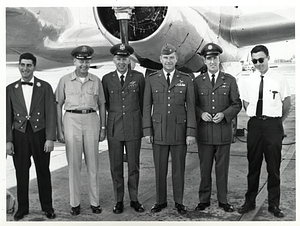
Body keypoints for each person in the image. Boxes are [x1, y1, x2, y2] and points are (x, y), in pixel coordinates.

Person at [238, 45, 291, 218]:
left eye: (261, 59)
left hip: (273, 126)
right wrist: (257, 119)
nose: (258, 63)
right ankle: (249, 201)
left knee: (273, 167)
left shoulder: (279, 79)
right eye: (254, 61)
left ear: (268, 57)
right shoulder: (248, 80)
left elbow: (287, 104)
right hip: (255, 125)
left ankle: (274, 204)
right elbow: (246, 104)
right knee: (253, 166)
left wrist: (276, 123)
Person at [143, 43, 196, 214]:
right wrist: (147, 130)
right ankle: (160, 201)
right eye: (165, 58)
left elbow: (192, 107)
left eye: (171, 57)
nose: (168, 61)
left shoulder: (186, 79)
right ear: (160, 59)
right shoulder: (152, 79)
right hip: (158, 131)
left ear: (176, 59)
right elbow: (146, 107)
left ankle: (179, 201)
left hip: (179, 131)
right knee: (160, 169)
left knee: (178, 169)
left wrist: (190, 132)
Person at [55, 45, 106, 215]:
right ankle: (75, 203)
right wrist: (59, 129)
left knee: (93, 164)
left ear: (90, 61)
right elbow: (58, 105)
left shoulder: (96, 81)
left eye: (86, 61)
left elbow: (102, 105)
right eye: (80, 61)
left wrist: (103, 128)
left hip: (91, 119)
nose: (84, 64)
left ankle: (94, 202)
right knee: (74, 165)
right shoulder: (64, 80)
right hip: (71, 120)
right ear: (74, 61)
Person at [6, 52, 56, 220]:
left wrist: (50, 137)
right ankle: (23, 208)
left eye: (29, 65)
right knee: (21, 172)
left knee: (43, 171)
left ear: (34, 67)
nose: (25, 68)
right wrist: (8, 140)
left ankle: (47, 207)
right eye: (22, 65)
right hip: (19, 135)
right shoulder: (10, 89)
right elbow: (6, 117)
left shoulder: (45, 87)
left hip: (39, 133)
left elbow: (50, 113)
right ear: (19, 66)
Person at [193, 43, 242, 212]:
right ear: (204, 61)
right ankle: (204, 199)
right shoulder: (197, 81)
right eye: (209, 58)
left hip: (223, 132)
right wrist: (200, 114)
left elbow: (237, 104)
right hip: (205, 133)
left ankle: (223, 200)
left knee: (222, 170)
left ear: (219, 59)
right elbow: (192, 104)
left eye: (215, 58)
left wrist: (225, 114)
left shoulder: (229, 80)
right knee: (204, 169)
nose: (212, 61)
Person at [102, 43, 145, 214]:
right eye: (119, 59)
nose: (121, 62)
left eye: (124, 59)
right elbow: (106, 103)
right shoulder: (107, 79)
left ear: (129, 60)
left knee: (134, 166)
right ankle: (118, 200)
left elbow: (143, 103)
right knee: (116, 166)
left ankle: (134, 199)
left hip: (134, 127)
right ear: (114, 60)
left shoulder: (138, 77)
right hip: (115, 129)